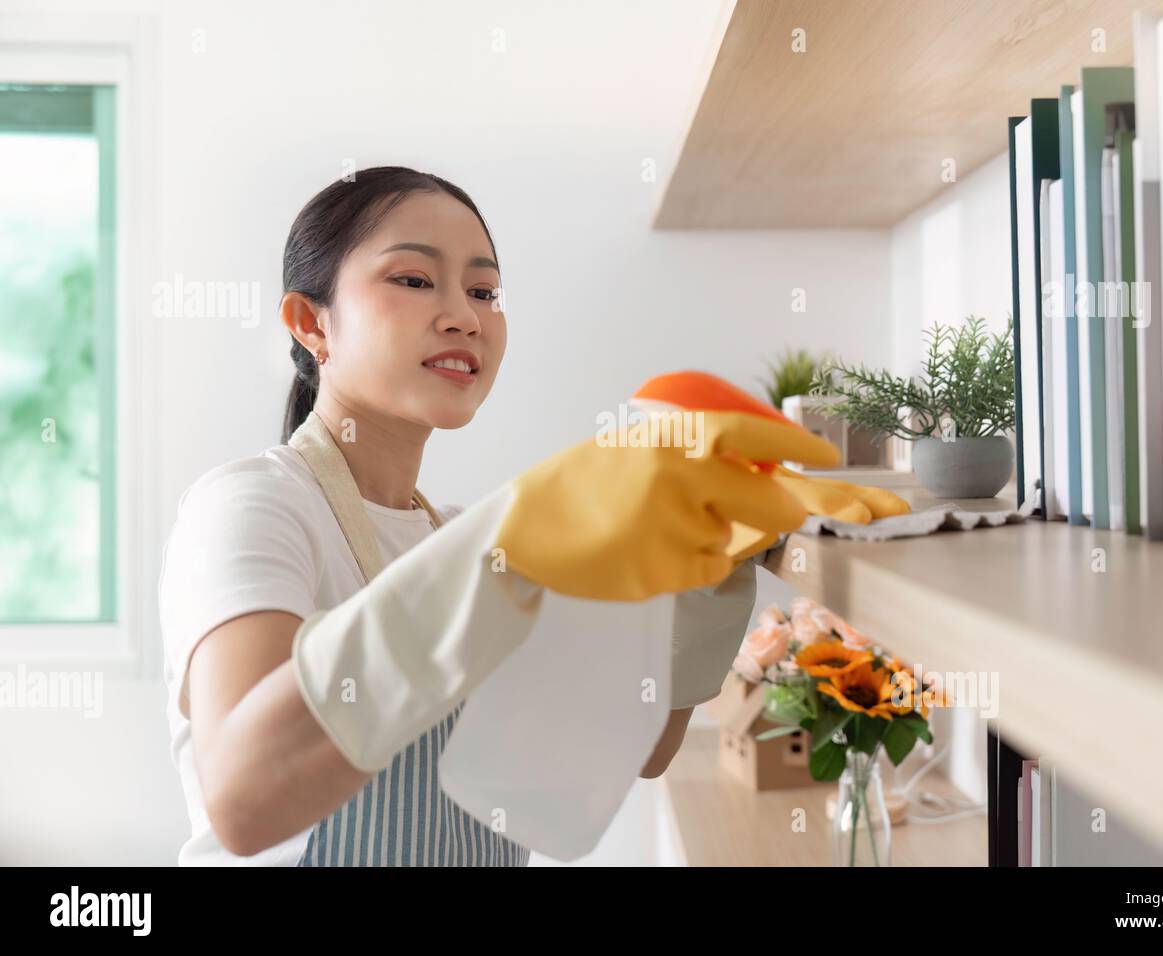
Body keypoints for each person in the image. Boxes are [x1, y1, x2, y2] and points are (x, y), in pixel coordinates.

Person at [157, 166, 839, 866]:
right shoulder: (251, 506)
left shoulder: (462, 537)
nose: (466, 316)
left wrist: (704, 571)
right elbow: (242, 800)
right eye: (415, 281)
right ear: (311, 323)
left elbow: (638, 745)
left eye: (484, 291)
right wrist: (498, 545)